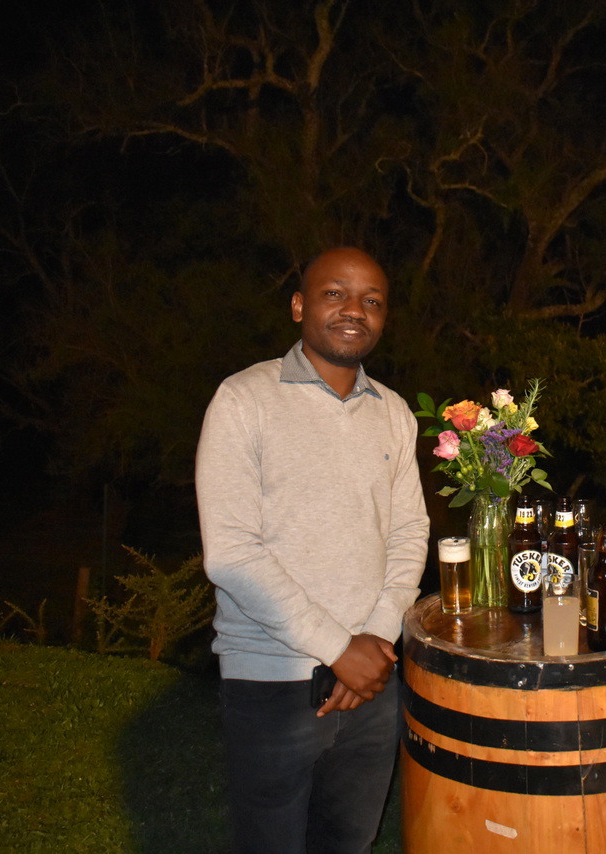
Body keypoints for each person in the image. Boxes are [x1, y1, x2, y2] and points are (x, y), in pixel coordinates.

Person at [195, 247, 429, 854]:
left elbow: (409, 533)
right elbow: (231, 552)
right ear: (299, 306)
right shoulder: (244, 400)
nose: (355, 309)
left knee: (349, 843)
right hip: (274, 681)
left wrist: (374, 642)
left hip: (373, 682)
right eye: (335, 293)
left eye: (372, 300)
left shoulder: (394, 412)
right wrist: (337, 649)